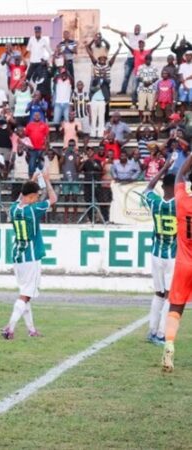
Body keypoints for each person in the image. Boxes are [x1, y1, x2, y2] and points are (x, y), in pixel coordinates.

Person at [1, 176, 57, 340]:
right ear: (32, 196)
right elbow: (53, 198)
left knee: (26, 293)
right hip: (31, 256)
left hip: (18, 255)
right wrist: (46, 180)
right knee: (26, 295)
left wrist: (31, 179)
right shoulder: (33, 210)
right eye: (37, 196)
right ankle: (10, 328)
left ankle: (31, 330)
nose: (38, 198)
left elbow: (20, 197)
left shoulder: (13, 209)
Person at [161, 153, 192, 372]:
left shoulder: (182, 200)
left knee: (176, 307)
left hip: (183, 262)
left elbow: (180, 173)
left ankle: (169, 344)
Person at [141, 162, 176, 347]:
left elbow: (147, 188)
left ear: (163, 187)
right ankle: (161, 334)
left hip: (156, 254)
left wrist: (163, 168)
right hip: (172, 256)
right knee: (170, 296)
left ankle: (152, 330)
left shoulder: (155, 202)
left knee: (158, 294)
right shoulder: (180, 205)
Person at [103, 23, 167, 95]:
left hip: (140, 58)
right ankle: (123, 91)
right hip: (130, 57)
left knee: (141, 75)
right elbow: (119, 31)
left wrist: (161, 27)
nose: (137, 29)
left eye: (138, 28)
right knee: (126, 75)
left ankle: (141, 91)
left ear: (140, 30)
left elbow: (153, 32)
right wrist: (110, 28)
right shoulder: (130, 34)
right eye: (135, 28)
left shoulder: (143, 35)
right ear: (134, 29)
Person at [121, 36, 164, 106]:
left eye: (142, 44)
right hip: (136, 74)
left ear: (144, 45)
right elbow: (128, 46)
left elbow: (155, 48)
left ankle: (146, 104)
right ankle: (134, 104)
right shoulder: (135, 52)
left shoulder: (147, 52)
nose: (141, 45)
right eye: (139, 44)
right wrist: (122, 39)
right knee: (134, 89)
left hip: (145, 75)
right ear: (138, 45)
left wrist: (161, 41)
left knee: (146, 90)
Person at [80, 147, 103, 223]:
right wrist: (83, 162)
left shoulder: (97, 161)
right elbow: (79, 170)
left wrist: (92, 161)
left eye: (91, 151)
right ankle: (90, 218)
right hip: (88, 183)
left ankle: (100, 218)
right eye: (88, 151)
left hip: (96, 183)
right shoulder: (85, 162)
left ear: (93, 152)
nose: (89, 152)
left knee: (99, 200)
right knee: (88, 201)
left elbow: (100, 169)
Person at [25, 111, 50, 177]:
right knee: (31, 165)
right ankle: (31, 180)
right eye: (35, 115)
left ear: (40, 116)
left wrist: (47, 148)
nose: (36, 117)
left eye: (38, 115)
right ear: (33, 116)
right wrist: (27, 146)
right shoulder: (29, 125)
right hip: (32, 149)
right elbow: (26, 137)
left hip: (42, 149)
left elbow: (47, 137)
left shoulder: (44, 125)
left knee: (42, 166)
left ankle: (42, 181)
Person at [136, 54, 159, 121]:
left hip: (151, 88)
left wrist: (150, 82)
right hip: (142, 88)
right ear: (145, 60)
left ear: (151, 60)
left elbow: (157, 77)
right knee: (141, 104)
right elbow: (138, 77)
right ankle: (140, 119)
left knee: (152, 104)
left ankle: (152, 118)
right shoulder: (141, 67)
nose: (148, 61)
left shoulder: (154, 67)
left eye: (149, 59)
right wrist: (144, 82)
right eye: (147, 59)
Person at [71, 80, 90, 147]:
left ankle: (85, 148)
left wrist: (90, 116)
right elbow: (71, 105)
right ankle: (76, 147)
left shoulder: (86, 94)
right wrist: (71, 115)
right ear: (76, 86)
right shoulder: (74, 94)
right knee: (76, 131)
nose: (80, 86)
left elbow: (88, 105)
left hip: (85, 116)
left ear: (83, 86)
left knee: (86, 133)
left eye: (81, 85)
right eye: (78, 85)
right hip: (77, 116)